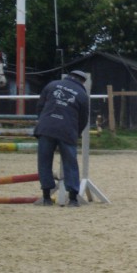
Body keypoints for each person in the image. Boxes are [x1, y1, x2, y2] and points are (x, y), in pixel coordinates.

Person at [34, 70, 89, 207]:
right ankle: (73, 199)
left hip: (46, 128)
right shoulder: (82, 95)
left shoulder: (52, 85)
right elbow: (83, 119)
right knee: (70, 163)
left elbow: (40, 106)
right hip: (67, 130)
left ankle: (46, 197)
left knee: (44, 161)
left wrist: (42, 121)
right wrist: (76, 133)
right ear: (82, 81)